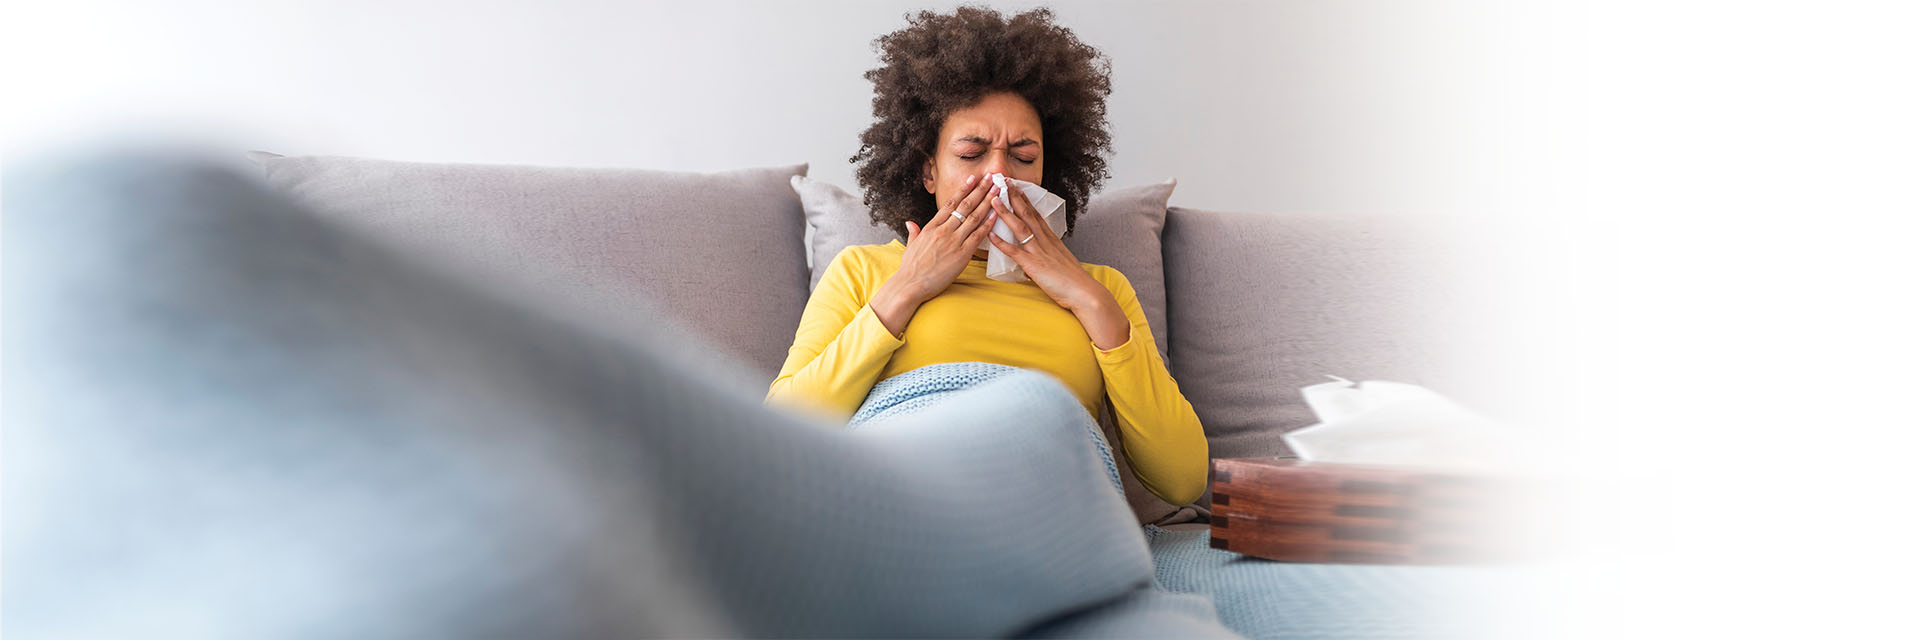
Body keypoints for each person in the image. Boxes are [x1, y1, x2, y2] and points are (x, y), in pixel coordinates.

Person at [764, 5, 1210, 508]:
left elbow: (1183, 479)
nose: (999, 177)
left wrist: (1090, 301)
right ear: (929, 171)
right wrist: (907, 288)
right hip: (908, 501)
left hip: (1051, 511)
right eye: (972, 154)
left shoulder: (1103, 290)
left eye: (1023, 157)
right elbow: (781, 437)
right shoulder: (865, 271)